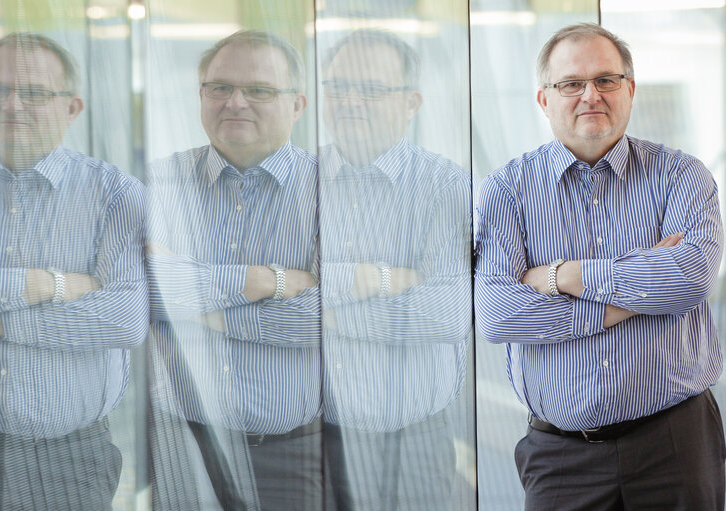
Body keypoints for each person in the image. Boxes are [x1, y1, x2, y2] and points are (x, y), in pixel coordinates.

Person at [475, 23, 725, 510]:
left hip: (676, 443)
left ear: (629, 90)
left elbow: (690, 278)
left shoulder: (682, 176)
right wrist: (628, 298)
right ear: (545, 99)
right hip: (560, 456)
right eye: (571, 83)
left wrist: (565, 276)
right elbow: (499, 314)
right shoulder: (506, 189)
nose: (591, 94)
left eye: (607, 80)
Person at [0, 33, 148, 510]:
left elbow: (124, 317)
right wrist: (47, 285)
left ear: (72, 107)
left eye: (36, 93)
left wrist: (0, 318)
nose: (13, 105)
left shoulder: (113, 193)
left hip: (67, 458)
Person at [146, 30, 321, 510]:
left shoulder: (332, 190)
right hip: (180, 445)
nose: (235, 102)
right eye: (219, 87)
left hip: (292, 451)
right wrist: (268, 281)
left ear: (298, 104)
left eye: (259, 90)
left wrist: (196, 300)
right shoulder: (157, 183)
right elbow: (141, 296)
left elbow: (331, 319)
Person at [319, 30, 472, 510]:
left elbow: (447, 312)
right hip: (312, 438)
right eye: (337, 86)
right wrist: (382, 281)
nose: (349, 101)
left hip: (414, 442)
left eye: (371, 89)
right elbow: (275, 292)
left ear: (412, 103)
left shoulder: (445, 186)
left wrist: (330, 314)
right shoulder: (297, 180)